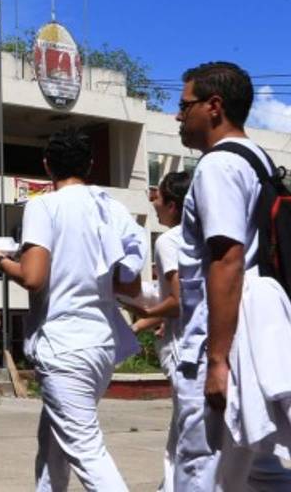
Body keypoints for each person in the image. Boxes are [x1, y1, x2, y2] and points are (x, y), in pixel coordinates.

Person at [173, 62, 291, 490]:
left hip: (224, 339)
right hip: (254, 329)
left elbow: (227, 259)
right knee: (258, 470)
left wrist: (217, 360)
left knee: (201, 467)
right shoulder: (257, 159)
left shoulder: (218, 167)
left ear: (214, 106)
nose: (178, 116)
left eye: (185, 106)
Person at [0, 127, 147, 492]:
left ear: (47, 166)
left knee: (87, 452)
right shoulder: (111, 207)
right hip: (102, 342)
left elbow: (33, 277)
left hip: (65, 345)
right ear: (89, 164)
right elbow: (130, 285)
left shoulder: (44, 205)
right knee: (54, 445)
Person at [122, 171, 191, 492]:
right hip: (205, 347)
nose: (154, 203)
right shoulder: (203, 238)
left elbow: (177, 302)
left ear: (173, 205)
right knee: (185, 438)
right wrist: (142, 322)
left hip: (183, 352)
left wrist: (145, 311)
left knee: (185, 442)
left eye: (158, 197)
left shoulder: (168, 241)